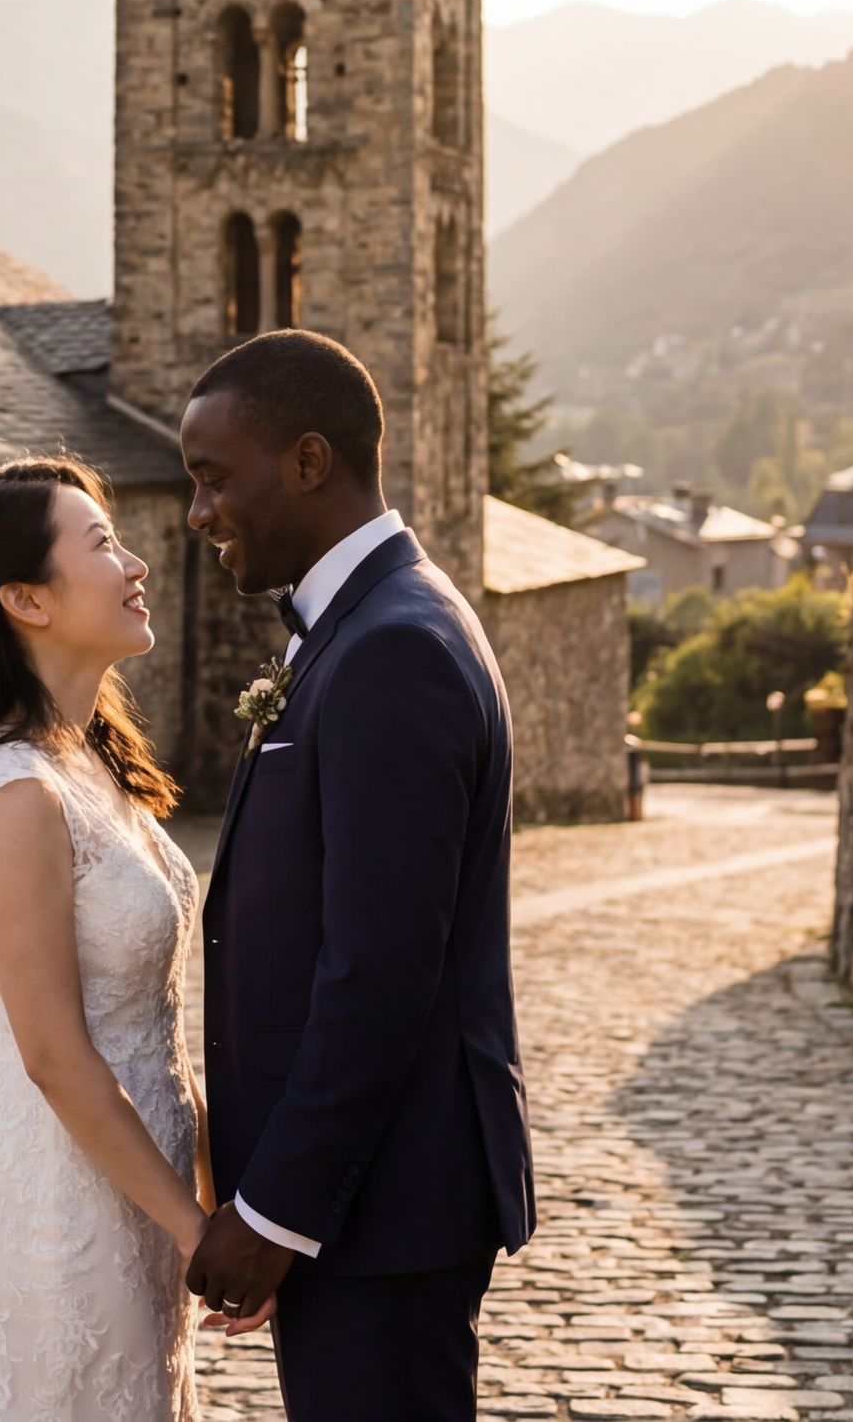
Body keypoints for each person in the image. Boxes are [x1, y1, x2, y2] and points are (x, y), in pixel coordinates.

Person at [176, 329, 536, 1418]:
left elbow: (379, 969)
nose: (198, 514)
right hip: (368, 1203)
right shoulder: (364, 625)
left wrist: (276, 1211)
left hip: (386, 1204)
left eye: (211, 477)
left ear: (308, 460)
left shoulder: (394, 648)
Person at [0, 455, 208, 1420]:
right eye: (104, 543)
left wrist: (211, 1197)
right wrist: (195, 1228)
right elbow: (56, 1054)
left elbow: (159, 1022)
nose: (138, 563)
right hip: (66, 1207)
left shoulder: (90, 766)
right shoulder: (15, 791)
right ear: (24, 597)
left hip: (143, 1188)